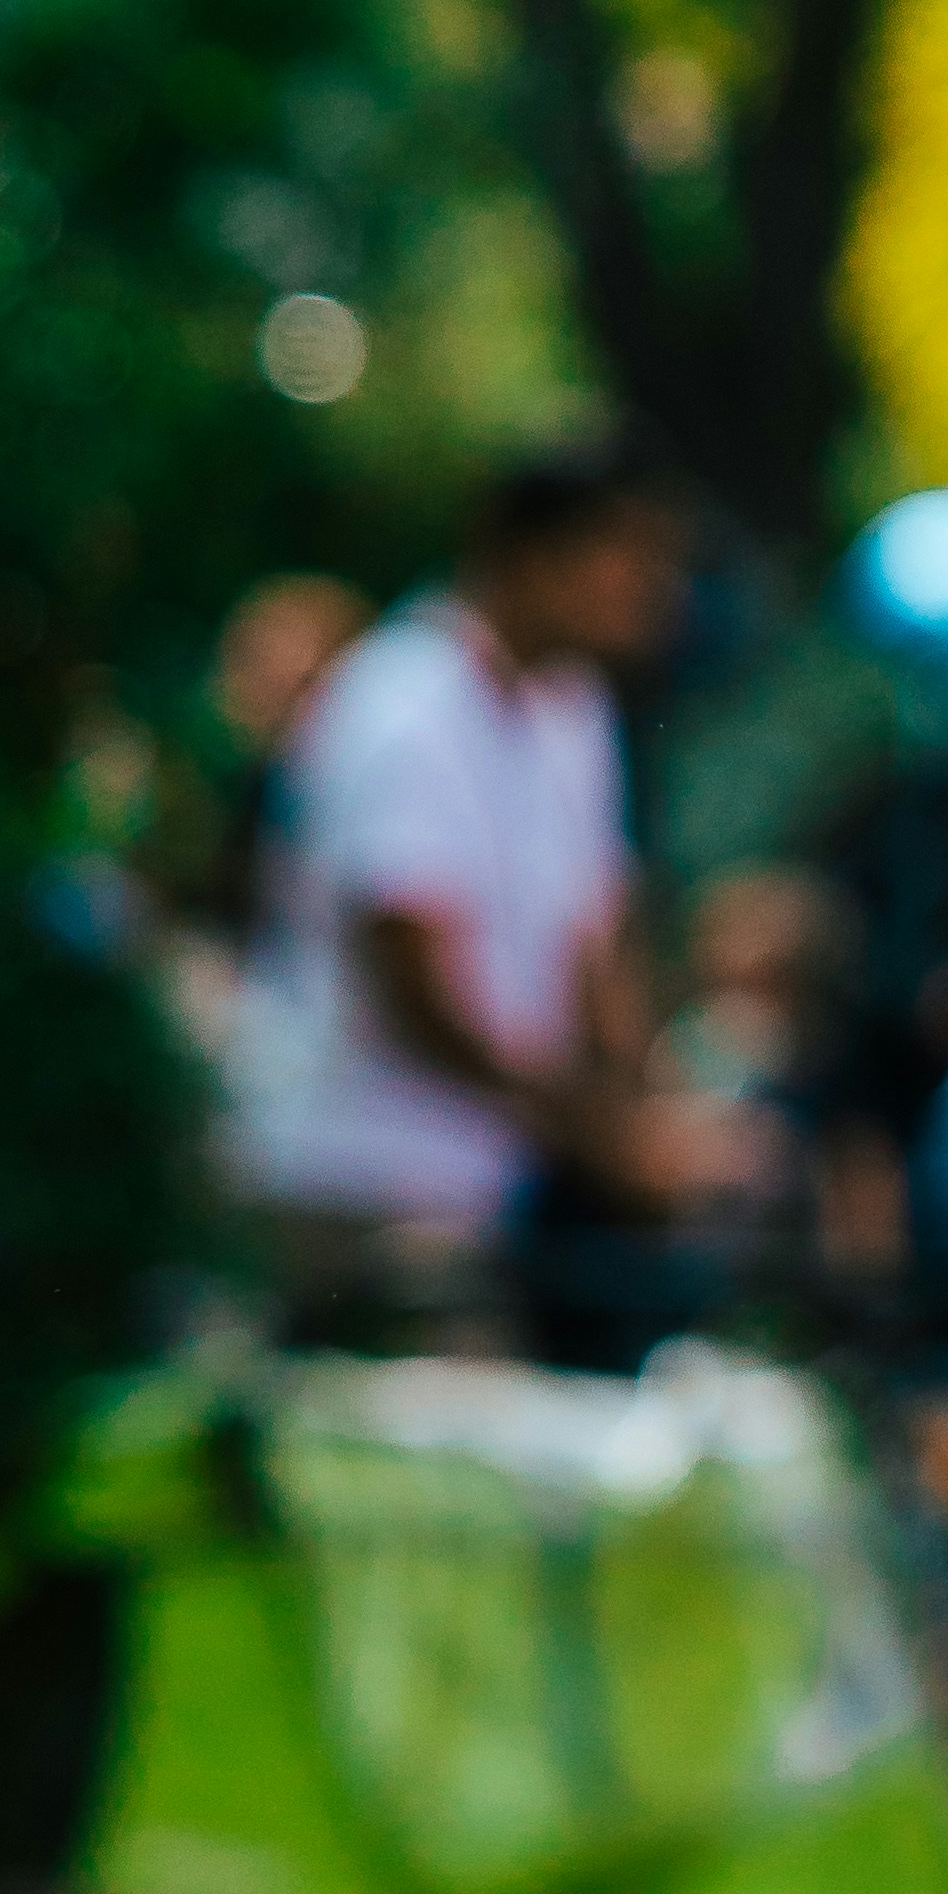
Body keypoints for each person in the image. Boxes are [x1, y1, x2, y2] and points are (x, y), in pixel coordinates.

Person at [220, 439, 702, 1342]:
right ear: (530, 555)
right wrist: (607, 1137)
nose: (654, 587)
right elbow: (417, 992)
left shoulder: (572, 710)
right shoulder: (400, 704)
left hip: (486, 1183)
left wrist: (652, 1113)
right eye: (628, 553)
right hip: (358, 1191)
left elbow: (595, 943)